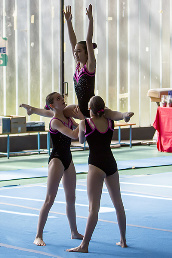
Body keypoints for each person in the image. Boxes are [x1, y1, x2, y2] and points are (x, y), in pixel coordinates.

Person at [67, 95, 128, 253]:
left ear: (89, 109)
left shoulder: (84, 123)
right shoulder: (110, 121)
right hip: (111, 164)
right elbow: (111, 115)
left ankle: (84, 245)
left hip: (95, 165)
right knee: (118, 204)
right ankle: (123, 240)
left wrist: (80, 121)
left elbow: (81, 141)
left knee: (93, 208)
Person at [32, 92, 83, 246]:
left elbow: (81, 132)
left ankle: (74, 231)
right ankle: (38, 235)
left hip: (68, 159)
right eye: (58, 99)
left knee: (71, 198)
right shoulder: (55, 122)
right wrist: (83, 122)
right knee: (50, 199)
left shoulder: (68, 118)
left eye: (62, 97)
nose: (63, 100)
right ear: (52, 105)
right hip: (57, 159)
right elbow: (74, 135)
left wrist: (84, 118)